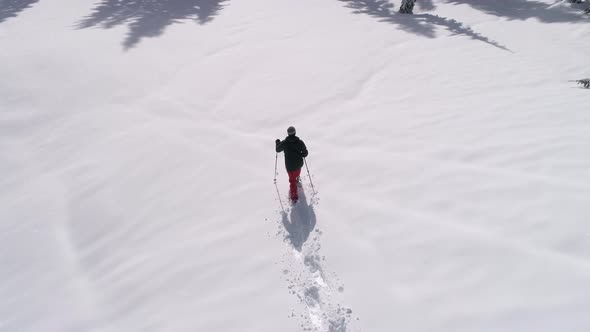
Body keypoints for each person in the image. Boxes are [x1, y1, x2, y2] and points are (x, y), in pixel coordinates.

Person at [276, 126, 308, 203]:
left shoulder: (285, 143)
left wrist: (277, 143)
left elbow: (278, 149)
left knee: (292, 181)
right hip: (299, 164)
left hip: (290, 167)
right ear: (295, 132)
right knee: (297, 173)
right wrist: (303, 153)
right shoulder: (300, 142)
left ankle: (294, 198)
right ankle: (297, 178)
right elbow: (305, 153)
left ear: (288, 133)